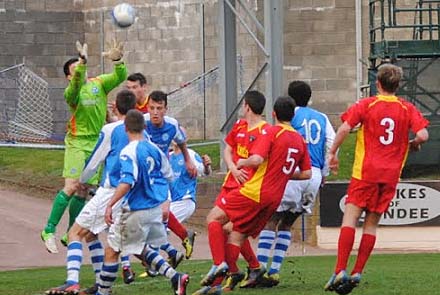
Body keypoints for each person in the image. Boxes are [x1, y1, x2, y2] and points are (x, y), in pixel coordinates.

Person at [324, 64, 429, 294]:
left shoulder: (366, 104)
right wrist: (414, 144)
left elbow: (343, 129)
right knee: (371, 224)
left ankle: (340, 269)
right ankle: (357, 271)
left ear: (377, 83)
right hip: (390, 175)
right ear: (397, 85)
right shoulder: (406, 107)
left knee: (350, 218)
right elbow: (423, 134)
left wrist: (332, 154)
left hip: (366, 172)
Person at [195, 96, 312, 295]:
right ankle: (222, 282)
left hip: (255, 191)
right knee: (235, 234)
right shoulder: (299, 139)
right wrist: (282, 174)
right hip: (274, 199)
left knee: (213, 218)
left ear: (274, 113)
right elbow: (307, 173)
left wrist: (240, 164)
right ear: (293, 115)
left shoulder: (271, 131)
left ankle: (218, 266)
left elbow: (257, 159)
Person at [45, 90, 136, 295]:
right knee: (93, 234)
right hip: (130, 193)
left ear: (116, 107)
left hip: (110, 191)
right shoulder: (140, 130)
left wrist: (82, 182)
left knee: (74, 232)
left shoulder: (110, 129)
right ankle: (99, 282)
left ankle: (72, 282)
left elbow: (94, 161)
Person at [41, 39, 127, 254]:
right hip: (77, 142)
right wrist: (82, 63)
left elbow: (120, 77)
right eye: (76, 69)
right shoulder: (72, 93)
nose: (81, 70)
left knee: (83, 191)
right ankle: (48, 230)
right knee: (71, 186)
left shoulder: (99, 83)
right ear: (69, 77)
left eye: (82, 66)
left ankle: (70, 231)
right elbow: (77, 83)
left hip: (97, 143)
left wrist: (118, 61)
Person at [96, 109, 189, 295]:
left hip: (135, 209)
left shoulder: (128, 152)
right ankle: (175, 277)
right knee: (139, 248)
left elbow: (128, 181)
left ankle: (102, 292)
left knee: (112, 250)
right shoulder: (154, 149)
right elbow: (168, 174)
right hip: (154, 208)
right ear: (144, 127)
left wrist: (110, 204)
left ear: (125, 128)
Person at [256, 81, 336, 287]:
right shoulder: (322, 118)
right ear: (309, 98)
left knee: (271, 220)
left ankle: (260, 268)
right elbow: (331, 144)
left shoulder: (289, 116)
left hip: (292, 172)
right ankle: (274, 272)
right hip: (314, 175)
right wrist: (324, 173)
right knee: (287, 223)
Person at [168, 139, 212, 224]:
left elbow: (204, 172)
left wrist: (206, 166)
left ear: (185, 139)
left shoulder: (190, 155)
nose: (176, 138)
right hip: (171, 202)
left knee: (161, 224)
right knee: (160, 226)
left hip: (185, 200)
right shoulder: (168, 157)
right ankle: (187, 235)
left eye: (180, 135)